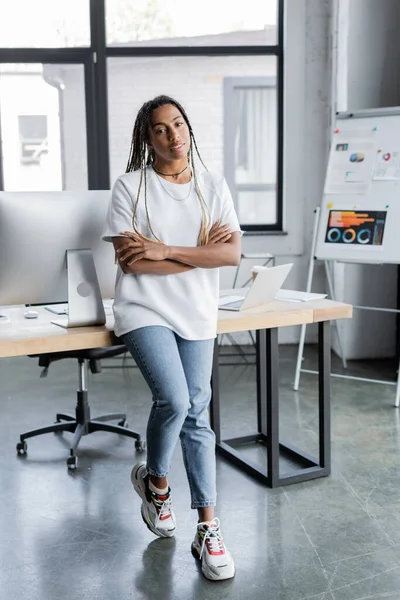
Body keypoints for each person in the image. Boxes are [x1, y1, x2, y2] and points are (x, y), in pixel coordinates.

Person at [102, 95, 242, 581]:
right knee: (177, 400)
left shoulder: (212, 185)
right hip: (144, 308)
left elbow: (230, 256)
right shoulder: (130, 187)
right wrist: (199, 251)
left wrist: (165, 248)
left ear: (189, 127)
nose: (172, 135)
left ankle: (207, 526)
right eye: (160, 129)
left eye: (178, 124)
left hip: (198, 312)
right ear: (147, 138)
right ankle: (158, 483)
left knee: (198, 412)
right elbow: (132, 263)